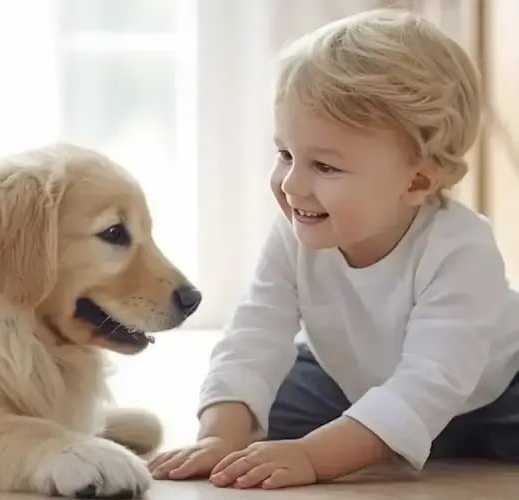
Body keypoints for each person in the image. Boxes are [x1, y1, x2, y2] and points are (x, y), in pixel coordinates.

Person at [149, 8, 519, 490]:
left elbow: (433, 381)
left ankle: (386, 434)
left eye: (324, 166)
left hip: (492, 392)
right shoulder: (295, 235)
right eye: (285, 154)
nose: (291, 185)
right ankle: (366, 431)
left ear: (418, 180)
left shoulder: (461, 249)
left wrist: (313, 457)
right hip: (352, 381)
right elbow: (254, 336)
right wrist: (221, 437)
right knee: (267, 407)